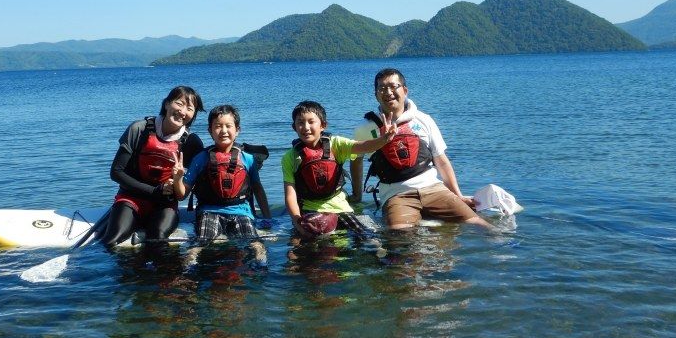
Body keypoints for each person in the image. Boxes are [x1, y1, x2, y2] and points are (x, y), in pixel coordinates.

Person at [350, 68, 492, 230]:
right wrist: (357, 196)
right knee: (400, 234)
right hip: (396, 195)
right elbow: (356, 160)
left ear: (404, 90)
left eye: (393, 86)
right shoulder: (365, 128)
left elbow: (441, 161)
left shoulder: (424, 120)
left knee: (478, 223)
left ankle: (509, 247)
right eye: (382, 88)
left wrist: (458, 195)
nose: (388, 92)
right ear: (376, 95)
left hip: (434, 190)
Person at [99, 85, 205, 247]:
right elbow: (116, 172)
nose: (183, 111)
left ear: (193, 115)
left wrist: (178, 182)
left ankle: (162, 273)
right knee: (112, 240)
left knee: (157, 238)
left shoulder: (191, 142)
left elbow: (198, 181)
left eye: (190, 108)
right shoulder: (139, 129)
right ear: (167, 104)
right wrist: (154, 191)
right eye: (179, 104)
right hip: (131, 199)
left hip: (165, 205)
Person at [281, 100, 397, 241]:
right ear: (294, 127)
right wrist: (297, 222)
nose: (305, 127)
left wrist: (384, 139)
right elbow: (290, 195)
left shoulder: (336, 144)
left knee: (367, 239)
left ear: (323, 125)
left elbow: (364, 146)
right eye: (300, 123)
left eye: (311, 122)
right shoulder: (290, 157)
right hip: (311, 210)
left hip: (341, 208)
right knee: (312, 249)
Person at [173, 105, 271, 267]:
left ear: (237, 130)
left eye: (228, 126)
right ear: (210, 131)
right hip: (209, 211)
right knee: (200, 243)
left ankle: (261, 262)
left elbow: (258, 189)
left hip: (241, 211)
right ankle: (189, 263)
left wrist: (268, 218)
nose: (223, 130)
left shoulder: (247, 159)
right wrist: (177, 179)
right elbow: (182, 195)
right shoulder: (201, 158)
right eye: (218, 126)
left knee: (254, 242)